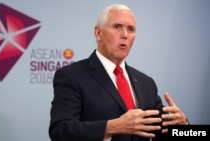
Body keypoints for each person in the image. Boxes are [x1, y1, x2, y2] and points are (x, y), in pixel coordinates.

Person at [48, 3, 188, 141]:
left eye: (131, 29)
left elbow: (160, 131)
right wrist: (111, 127)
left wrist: (183, 126)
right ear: (98, 33)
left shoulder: (146, 83)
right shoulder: (72, 76)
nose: (125, 35)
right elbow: (60, 131)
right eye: (117, 27)